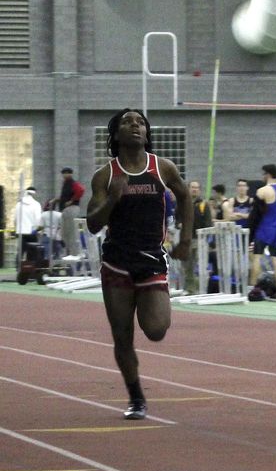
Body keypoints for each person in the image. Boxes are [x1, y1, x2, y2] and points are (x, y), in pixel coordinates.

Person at [86, 108, 193, 420]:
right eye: (127, 122)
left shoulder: (163, 167)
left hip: (151, 261)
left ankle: (136, 390)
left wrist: (186, 239)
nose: (135, 125)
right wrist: (111, 200)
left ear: (147, 134)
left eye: (140, 122)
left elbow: (184, 197)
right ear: (116, 135)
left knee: (157, 329)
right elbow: (93, 224)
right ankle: (136, 396)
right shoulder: (105, 175)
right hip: (117, 264)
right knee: (122, 337)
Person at [249, 164, 276, 288]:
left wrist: (251, 233)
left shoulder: (262, 191)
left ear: (268, 174)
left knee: (257, 257)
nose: (262, 176)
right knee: (274, 258)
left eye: (263, 174)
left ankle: (252, 287)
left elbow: (255, 215)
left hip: (265, 228)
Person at [183, 180, 213, 294]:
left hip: (200, 239)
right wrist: (178, 224)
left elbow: (208, 222)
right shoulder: (183, 202)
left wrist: (206, 237)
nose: (194, 189)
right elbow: (177, 218)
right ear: (189, 188)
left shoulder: (204, 205)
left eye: (196, 188)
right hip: (186, 239)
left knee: (200, 265)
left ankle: (201, 289)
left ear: (199, 190)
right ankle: (190, 288)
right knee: (187, 265)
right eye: (192, 187)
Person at [50, 167, 85, 257]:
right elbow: (65, 196)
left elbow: (81, 190)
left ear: (70, 174)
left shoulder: (73, 183)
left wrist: (71, 201)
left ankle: (74, 253)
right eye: (63, 173)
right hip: (65, 210)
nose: (64, 175)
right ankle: (68, 252)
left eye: (66, 173)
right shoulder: (65, 184)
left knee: (71, 232)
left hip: (71, 209)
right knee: (65, 233)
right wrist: (57, 199)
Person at [14, 187, 42, 263]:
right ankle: (30, 268)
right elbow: (38, 219)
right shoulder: (36, 204)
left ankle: (18, 268)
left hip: (20, 231)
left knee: (20, 251)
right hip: (31, 232)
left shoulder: (18, 204)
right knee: (32, 251)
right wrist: (38, 230)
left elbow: (15, 219)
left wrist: (16, 228)